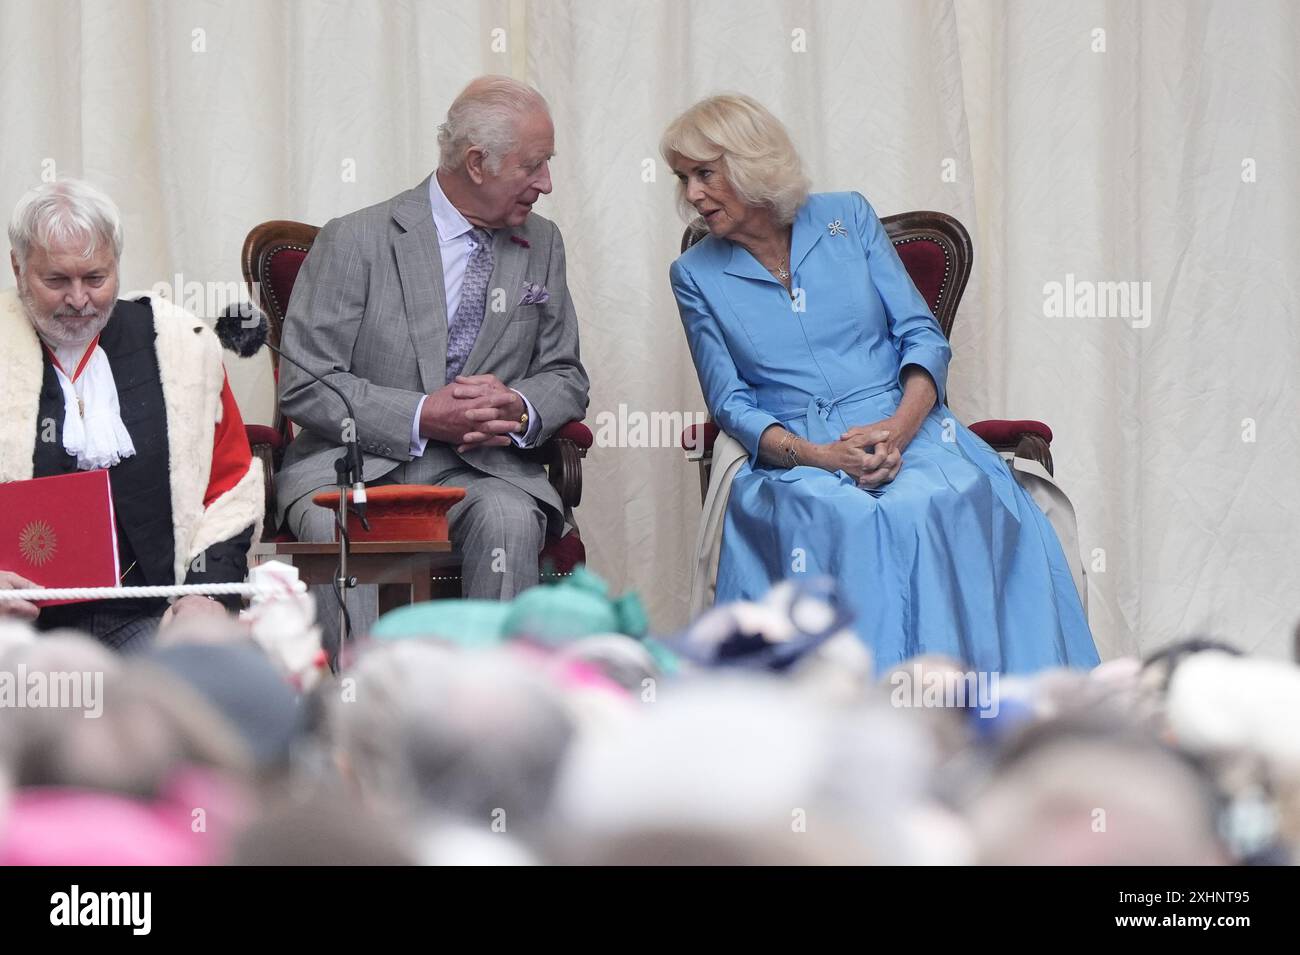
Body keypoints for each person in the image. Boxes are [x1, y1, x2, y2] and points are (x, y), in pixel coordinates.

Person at [662, 94, 1099, 674]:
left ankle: (964, 708)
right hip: (797, 449)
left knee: (933, 501)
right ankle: (857, 725)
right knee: (845, 518)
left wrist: (896, 430)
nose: (692, 194)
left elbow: (923, 338)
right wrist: (818, 456)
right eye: (683, 178)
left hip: (908, 421)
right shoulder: (694, 274)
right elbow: (730, 401)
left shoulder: (848, 217)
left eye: (705, 173)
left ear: (751, 164)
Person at [276, 75, 589, 618]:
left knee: (511, 521)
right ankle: (357, 699)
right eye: (532, 165)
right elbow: (307, 382)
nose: (547, 183)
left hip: (484, 473)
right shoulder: (356, 239)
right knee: (335, 523)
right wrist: (422, 415)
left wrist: (519, 407)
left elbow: (565, 374)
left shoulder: (543, 243)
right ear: (476, 163)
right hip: (353, 469)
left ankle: (492, 702)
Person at [0, 180, 262, 649]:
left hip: (147, 613)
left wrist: (208, 593)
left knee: (206, 694)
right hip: (13, 621)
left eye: (95, 279)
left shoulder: (179, 343)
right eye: (56, 280)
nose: (79, 299)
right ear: (18, 268)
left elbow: (231, 489)